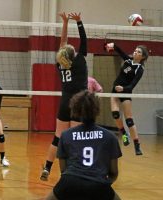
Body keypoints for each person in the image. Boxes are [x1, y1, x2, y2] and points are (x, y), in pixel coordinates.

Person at [45, 90, 122, 200]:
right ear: (97, 110)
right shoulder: (110, 137)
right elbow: (113, 173)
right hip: (98, 184)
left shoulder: (66, 135)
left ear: (76, 110)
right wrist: (98, 188)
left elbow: (64, 171)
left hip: (70, 182)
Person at [40, 12, 88, 181]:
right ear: (73, 53)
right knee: (76, 137)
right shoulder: (80, 60)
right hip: (78, 102)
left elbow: (62, 44)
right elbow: (84, 41)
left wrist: (65, 23)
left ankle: (47, 166)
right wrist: (79, 22)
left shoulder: (61, 63)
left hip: (64, 101)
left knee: (58, 136)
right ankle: (74, 170)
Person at [105, 42, 148, 155]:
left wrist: (123, 88)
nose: (135, 52)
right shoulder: (128, 60)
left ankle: (137, 145)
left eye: (138, 52)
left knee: (129, 120)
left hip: (126, 93)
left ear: (143, 57)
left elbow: (132, 86)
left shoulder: (140, 69)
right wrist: (113, 45)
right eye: (135, 50)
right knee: (115, 114)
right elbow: (119, 51)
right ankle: (123, 133)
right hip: (115, 91)